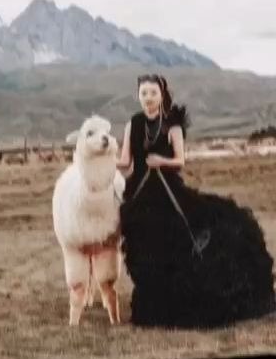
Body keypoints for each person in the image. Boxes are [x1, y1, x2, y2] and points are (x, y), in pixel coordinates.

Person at [116, 73, 276, 328]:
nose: (148, 98)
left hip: (166, 189)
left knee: (178, 238)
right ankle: (154, 300)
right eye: (143, 93)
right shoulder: (132, 124)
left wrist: (161, 161)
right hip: (139, 193)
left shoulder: (172, 125)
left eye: (153, 93)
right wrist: (95, 161)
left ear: (162, 95)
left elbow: (180, 160)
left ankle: (180, 300)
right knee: (144, 246)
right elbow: (125, 162)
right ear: (138, 95)